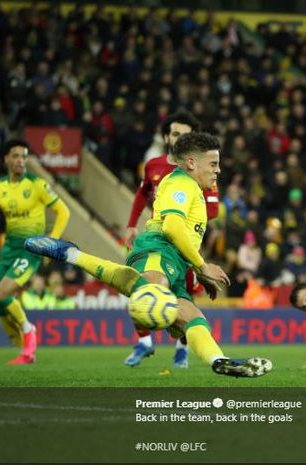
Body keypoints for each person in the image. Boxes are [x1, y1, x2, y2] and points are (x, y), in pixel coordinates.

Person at [26, 132, 271, 378]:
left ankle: (218, 360)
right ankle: (71, 254)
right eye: (213, 164)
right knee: (151, 286)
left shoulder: (190, 188)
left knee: (194, 320)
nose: (217, 171)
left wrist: (196, 270)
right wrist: (202, 266)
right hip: (159, 250)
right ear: (191, 163)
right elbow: (172, 227)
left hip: (175, 260)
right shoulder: (181, 184)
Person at [122, 111, 220, 369]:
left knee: (184, 293)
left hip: (187, 241)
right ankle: (144, 342)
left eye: (185, 134)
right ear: (166, 136)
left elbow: (212, 210)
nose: (179, 138)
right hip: (161, 239)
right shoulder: (153, 166)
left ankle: (182, 347)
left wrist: (188, 211)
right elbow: (142, 195)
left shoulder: (200, 170)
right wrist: (132, 225)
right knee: (148, 285)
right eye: (175, 133)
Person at [0, 140, 70, 364]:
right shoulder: (0, 187)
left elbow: (63, 211)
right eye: (16, 156)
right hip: (9, 248)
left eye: (24, 156)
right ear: (6, 160)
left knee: (1, 293)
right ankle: (23, 342)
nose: (20, 160)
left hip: (30, 250)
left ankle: (28, 332)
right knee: (0, 297)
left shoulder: (37, 184)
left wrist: (51, 242)